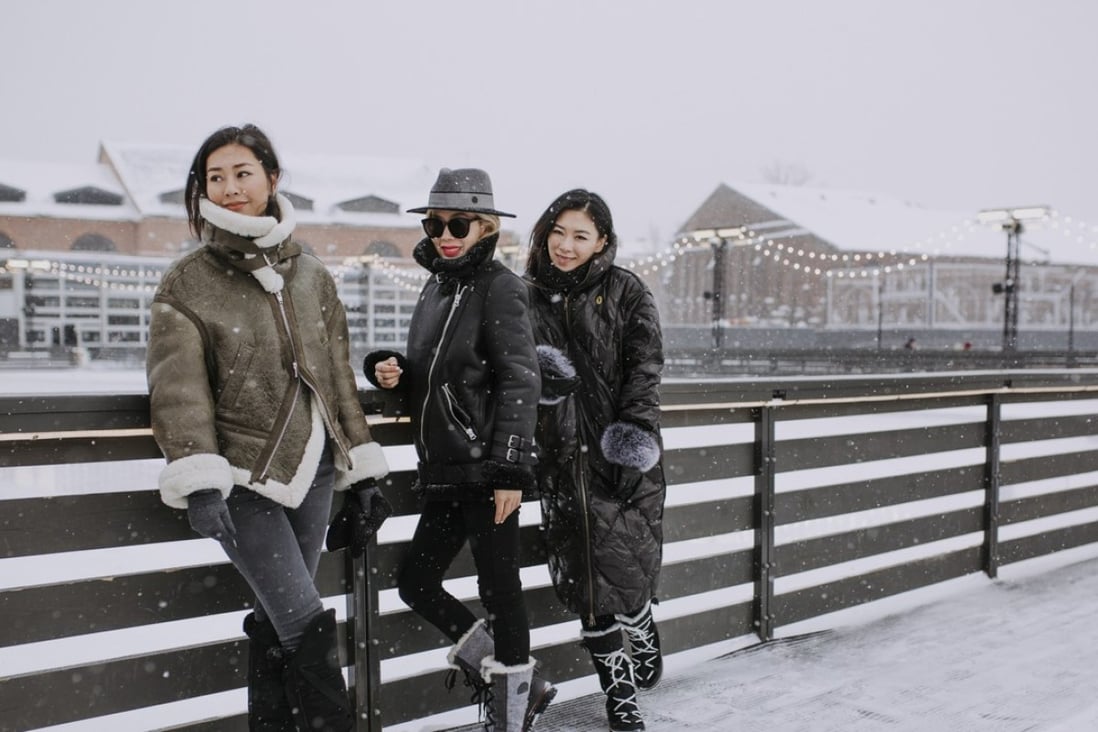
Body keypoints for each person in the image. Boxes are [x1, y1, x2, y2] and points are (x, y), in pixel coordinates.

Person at [146, 123, 391, 732]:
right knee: (303, 620)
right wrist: (200, 480)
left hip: (314, 469)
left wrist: (362, 470)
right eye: (216, 177)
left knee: (278, 620)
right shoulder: (189, 282)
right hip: (241, 478)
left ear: (272, 179)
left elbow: (337, 378)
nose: (230, 187)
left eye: (242, 173)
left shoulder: (310, 274)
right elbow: (178, 390)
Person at [363, 168, 555, 732]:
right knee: (417, 583)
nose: (445, 235)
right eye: (435, 224)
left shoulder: (500, 286)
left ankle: (511, 713)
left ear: (485, 227)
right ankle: (520, 685)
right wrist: (391, 370)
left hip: (487, 469)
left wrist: (509, 470)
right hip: (444, 468)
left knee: (499, 590)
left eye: (459, 224)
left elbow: (520, 378)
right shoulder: (438, 285)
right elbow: (442, 375)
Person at [523, 189, 666, 732]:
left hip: (617, 457)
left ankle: (641, 623)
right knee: (588, 587)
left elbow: (645, 369)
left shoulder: (626, 290)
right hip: (560, 462)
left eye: (580, 236)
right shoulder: (526, 296)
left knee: (626, 572)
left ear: (602, 241)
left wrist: (630, 441)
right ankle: (619, 698)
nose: (566, 245)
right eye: (558, 233)